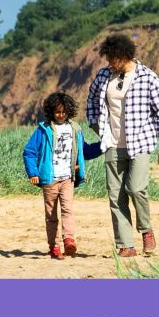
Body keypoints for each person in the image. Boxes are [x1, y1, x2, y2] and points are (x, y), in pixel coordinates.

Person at [86, 34, 159, 257]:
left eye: (113, 59)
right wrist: (96, 125)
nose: (109, 63)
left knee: (135, 188)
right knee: (115, 196)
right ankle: (126, 244)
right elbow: (92, 99)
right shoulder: (104, 75)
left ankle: (146, 230)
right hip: (112, 144)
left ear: (124, 55)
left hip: (140, 143)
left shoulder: (148, 77)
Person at [23, 92, 102, 259]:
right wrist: (33, 172)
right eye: (57, 112)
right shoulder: (43, 130)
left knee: (67, 210)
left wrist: (103, 146)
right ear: (51, 111)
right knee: (51, 215)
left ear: (69, 111)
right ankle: (54, 247)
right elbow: (29, 152)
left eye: (64, 112)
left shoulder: (75, 129)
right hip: (49, 179)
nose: (60, 115)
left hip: (68, 178)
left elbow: (85, 151)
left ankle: (68, 240)